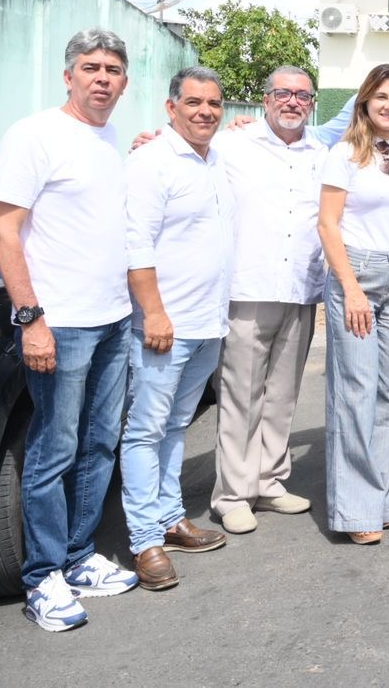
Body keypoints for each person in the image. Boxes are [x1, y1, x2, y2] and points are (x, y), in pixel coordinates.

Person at [0, 28, 140, 631]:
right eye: (90, 67)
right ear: (68, 75)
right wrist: (32, 319)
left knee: (100, 443)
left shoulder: (110, 141)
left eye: (112, 69)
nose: (102, 78)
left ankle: (79, 557)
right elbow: (5, 231)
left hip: (112, 319)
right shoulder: (33, 135)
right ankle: (42, 577)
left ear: (124, 82)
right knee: (54, 450)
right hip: (62, 324)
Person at [121, 66, 234, 590]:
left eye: (213, 103)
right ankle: (144, 539)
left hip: (208, 321)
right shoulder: (152, 162)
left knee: (174, 426)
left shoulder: (214, 161)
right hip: (166, 324)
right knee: (144, 430)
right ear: (171, 108)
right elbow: (136, 244)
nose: (205, 111)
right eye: (194, 102)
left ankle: (170, 520)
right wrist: (154, 313)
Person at [317, 64, 389, 545]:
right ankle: (355, 510)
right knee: (357, 390)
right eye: (381, 96)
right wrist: (351, 288)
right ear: (364, 101)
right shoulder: (344, 154)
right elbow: (328, 224)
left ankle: (381, 496)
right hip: (356, 275)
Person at [210, 66, 327, 535]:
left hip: (300, 289)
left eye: (302, 95)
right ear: (265, 99)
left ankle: (271, 480)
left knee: (282, 394)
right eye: (284, 93)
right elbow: (182, 150)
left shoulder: (321, 153)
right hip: (247, 288)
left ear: (312, 103)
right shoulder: (231, 145)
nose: (293, 102)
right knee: (241, 395)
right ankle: (233, 494)